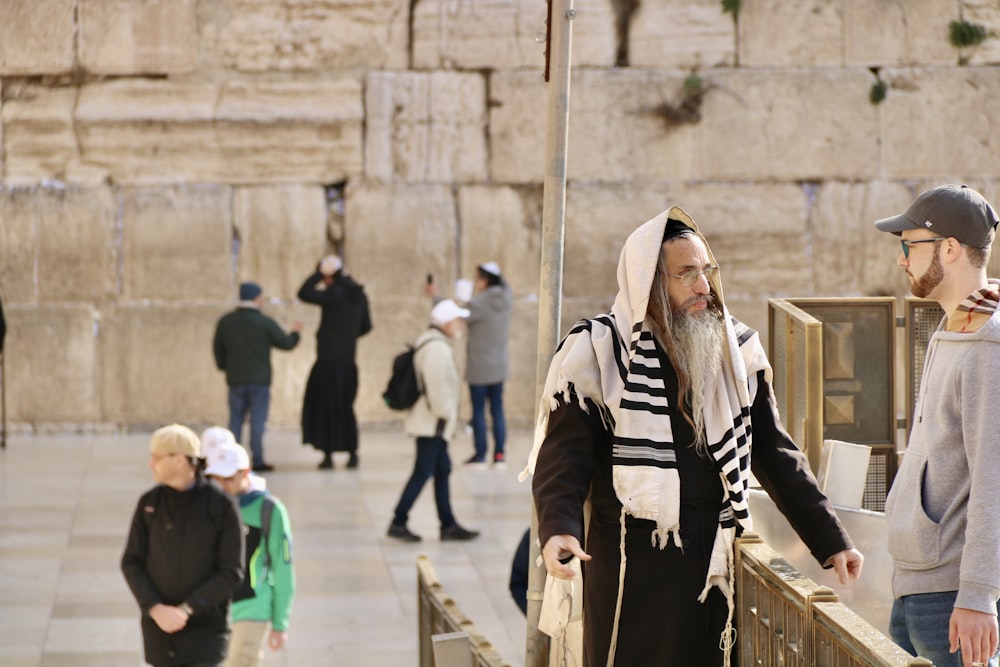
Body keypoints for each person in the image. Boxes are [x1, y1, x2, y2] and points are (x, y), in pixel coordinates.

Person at [523, 207, 864, 666]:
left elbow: (774, 451)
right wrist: (558, 529)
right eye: (687, 274)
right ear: (650, 283)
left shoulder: (736, 351)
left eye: (706, 271)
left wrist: (831, 538)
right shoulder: (599, 353)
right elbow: (564, 456)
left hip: (712, 566)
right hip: (632, 567)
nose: (704, 287)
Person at [875, 184, 1000, 667]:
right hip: (917, 585)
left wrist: (978, 596)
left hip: (953, 598)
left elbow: (993, 479)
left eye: (909, 245)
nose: (902, 259)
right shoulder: (955, 328)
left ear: (949, 248)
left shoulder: (988, 346)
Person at [121, 424, 245, 667]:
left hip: (205, 636)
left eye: (156, 457)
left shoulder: (222, 507)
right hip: (159, 636)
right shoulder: (149, 504)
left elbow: (231, 571)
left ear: (178, 460)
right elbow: (131, 562)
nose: (150, 464)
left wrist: (186, 610)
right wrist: (155, 608)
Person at [386, 299, 481, 543]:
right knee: (423, 471)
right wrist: (447, 414)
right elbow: (437, 387)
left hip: (432, 423)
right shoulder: (437, 348)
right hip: (433, 424)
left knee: (441, 470)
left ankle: (448, 524)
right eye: (457, 320)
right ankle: (398, 521)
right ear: (447, 322)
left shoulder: (431, 342)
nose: (460, 325)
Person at [205, 441, 296, 667]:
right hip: (209, 609)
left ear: (245, 473)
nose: (222, 485)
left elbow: (283, 567)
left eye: (229, 479)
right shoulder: (207, 506)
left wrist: (280, 623)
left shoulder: (269, 510)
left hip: (252, 608)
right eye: (216, 478)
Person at [429, 263, 513, 470]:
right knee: (497, 411)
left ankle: (481, 455)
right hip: (499, 365)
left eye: (478, 279)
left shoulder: (480, 302)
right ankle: (500, 455)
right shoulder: (506, 296)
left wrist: (436, 295)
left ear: (485, 280)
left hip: (479, 366)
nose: (476, 284)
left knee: (478, 412)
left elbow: (454, 313)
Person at [213, 281, 303, 472]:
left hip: (235, 379)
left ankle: (232, 460)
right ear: (256, 298)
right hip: (259, 381)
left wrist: (225, 367)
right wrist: (295, 333)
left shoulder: (226, 322)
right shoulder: (264, 322)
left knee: (235, 420)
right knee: (257, 422)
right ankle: (258, 460)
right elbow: (285, 343)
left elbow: (218, 349)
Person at [297, 255, 373, 470]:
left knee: (326, 407)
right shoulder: (359, 294)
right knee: (345, 406)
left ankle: (328, 454)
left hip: (328, 360)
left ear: (329, 276)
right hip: (348, 360)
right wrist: (347, 337)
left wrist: (319, 274)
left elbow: (303, 293)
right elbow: (366, 326)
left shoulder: (333, 294)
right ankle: (352, 452)